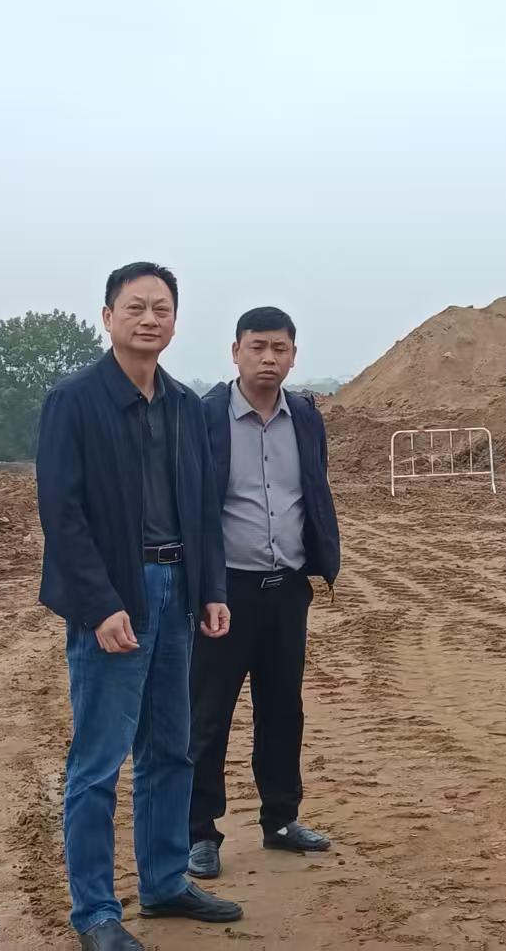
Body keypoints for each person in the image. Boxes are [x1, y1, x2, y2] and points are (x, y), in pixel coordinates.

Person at [38, 262, 241, 951]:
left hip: (176, 591)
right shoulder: (74, 402)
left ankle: (164, 881)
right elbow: (62, 515)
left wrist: (211, 589)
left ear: (175, 322)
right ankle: (96, 911)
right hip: (115, 596)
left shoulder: (184, 404)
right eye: (135, 307)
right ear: (107, 317)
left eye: (162, 308)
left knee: (171, 750)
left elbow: (203, 508)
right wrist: (100, 604)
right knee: (98, 762)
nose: (150, 319)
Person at [187, 307, 342, 880]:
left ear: (294, 356)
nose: (268, 359)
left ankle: (281, 818)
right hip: (223, 593)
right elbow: (191, 506)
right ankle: (199, 832)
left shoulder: (305, 417)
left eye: (280, 348)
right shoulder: (204, 417)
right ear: (236, 352)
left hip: (287, 590)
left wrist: (319, 561)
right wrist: (201, 587)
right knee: (208, 715)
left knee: (282, 708)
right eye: (257, 347)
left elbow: (314, 488)